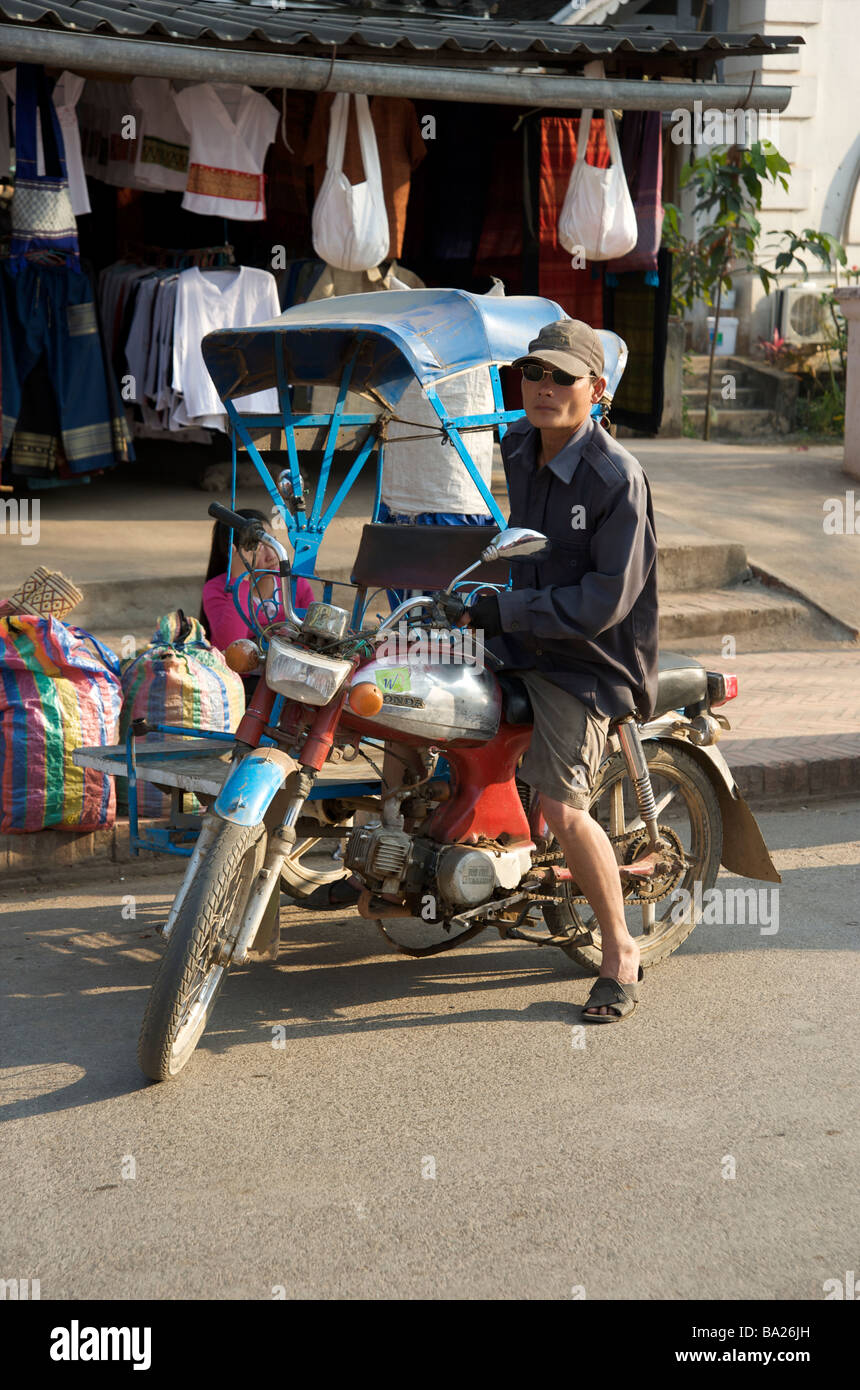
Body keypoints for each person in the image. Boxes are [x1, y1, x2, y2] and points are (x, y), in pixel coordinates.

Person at [467, 319, 659, 1023]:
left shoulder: (615, 478)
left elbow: (606, 601)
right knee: (408, 698)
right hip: (524, 631)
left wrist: (511, 612)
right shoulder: (519, 445)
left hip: (588, 660)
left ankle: (619, 952)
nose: (544, 389)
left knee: (563, 807)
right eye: (533, 374)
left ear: (596, 389)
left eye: (562, 378)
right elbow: (517, 541)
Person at [200, 507, 315, 653]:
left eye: (273, 542)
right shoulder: (216, 589)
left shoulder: (294, 584)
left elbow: (313, 638)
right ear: (235, 553)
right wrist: (240, 581)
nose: (272, 555)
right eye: (259, 547)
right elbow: (231, 646)